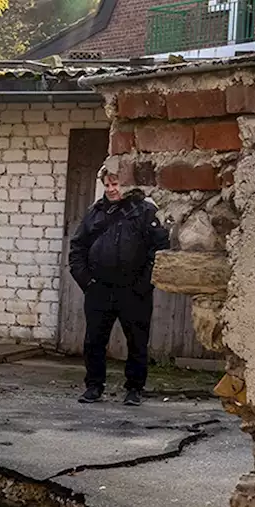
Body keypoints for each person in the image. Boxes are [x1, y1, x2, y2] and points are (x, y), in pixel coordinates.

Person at [68, 166, 169, 406]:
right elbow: (77, 249)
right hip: (99, 289)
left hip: (134, 290)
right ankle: (93, 387)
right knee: (94, 340)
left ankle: (134, 389)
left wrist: (145, 283)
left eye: (116, 184)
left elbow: (161, 248)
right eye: (108, 184)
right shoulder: (95, 213)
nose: (112, 190)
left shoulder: (145, 211)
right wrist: (88, 282)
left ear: (126, 184)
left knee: (137, 341)